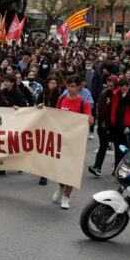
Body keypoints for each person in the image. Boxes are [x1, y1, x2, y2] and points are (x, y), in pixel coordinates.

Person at [46, 75, 94, 209]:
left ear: (78, 87)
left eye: (72, 86)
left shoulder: (83, 102)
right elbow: (55, 115)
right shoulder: (61, 98)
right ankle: (61, 187)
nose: (70, 89)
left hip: (75, 143)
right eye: (68, 86)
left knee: (71, 170)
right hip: (61, 140)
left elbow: (88, 118)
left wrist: (90, 120)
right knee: (59, 168)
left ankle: (66, 197)